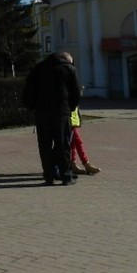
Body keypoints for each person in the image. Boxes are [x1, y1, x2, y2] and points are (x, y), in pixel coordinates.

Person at [23, 51, 81, 186]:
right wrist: (70, 107)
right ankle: (66, 176)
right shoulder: (69, 69)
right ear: (67, 60)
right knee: (63, 144)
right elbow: (76, 92)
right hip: (61, 112)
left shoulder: (38, 68)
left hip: (42, 112)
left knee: (45, 145)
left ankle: (49, 176)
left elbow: (28, 90)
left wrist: (32, 106)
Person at [69, 105, 100, 176]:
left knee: (73, 143)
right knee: (77, 141)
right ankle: (86, 164)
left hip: (73, 119)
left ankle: (73, 164)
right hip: (69, 119)